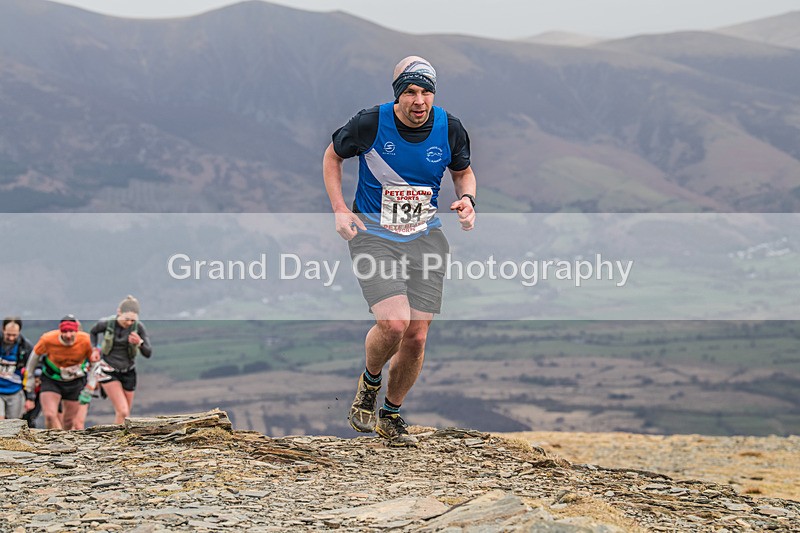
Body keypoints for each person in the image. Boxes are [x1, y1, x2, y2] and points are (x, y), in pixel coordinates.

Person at [322, 56, 477, 446]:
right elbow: (332, 156)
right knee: (394, 323)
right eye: (410, 91)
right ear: (398, 95)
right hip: (373, 234)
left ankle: (390, 414)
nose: (419, 100)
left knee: (417, 336)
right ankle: (370, 384)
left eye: (426, 91)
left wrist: (468, 198)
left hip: (426, 238)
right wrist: (341, 209)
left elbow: (462, 171)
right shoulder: (370, 123)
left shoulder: (450, 127)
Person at [24, 315, 99, 430]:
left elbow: (95, 363)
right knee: (49, 415)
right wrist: (29, 380)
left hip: (75, 381)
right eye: (64, 331)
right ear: (60, 331)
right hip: (52, 379)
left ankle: (64, 443)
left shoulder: (86, 341)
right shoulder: (48, 339)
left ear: (76, 331)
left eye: (71, 331)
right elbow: (33, 359)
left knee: (69, 422)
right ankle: (53, 443)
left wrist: (90, 386)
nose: (68, 335)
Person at [89, 295, 152, 424]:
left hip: (128, 371)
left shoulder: (138, 328)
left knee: (126, 414)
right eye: (126, 319)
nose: (129, 323)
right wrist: (94, 348)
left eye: (132, 320)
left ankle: (121, 441)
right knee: (122, 411)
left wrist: (139, 342)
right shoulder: (107, 323)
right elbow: (93, 332)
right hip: (108, 370)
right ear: (119, 312)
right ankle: (116, 441)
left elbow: (148, 353)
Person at [0, 317, 33, 420]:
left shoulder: (25, 347)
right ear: (3, 330)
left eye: (14, 335)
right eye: (8, 335)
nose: (11, 338)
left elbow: (31, 372)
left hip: (15, 390)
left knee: (14, 423)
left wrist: (30, 397)